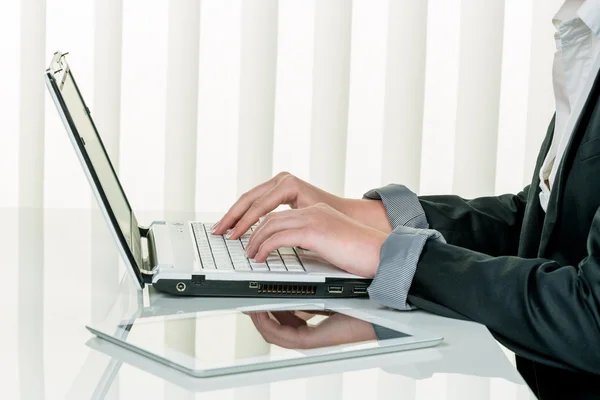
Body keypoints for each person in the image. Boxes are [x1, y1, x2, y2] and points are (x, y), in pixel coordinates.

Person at [212, 1, 600, 398]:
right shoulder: (586, 33)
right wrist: (364, 218)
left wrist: (387, 254)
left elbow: (593, 318)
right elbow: (540, 223)